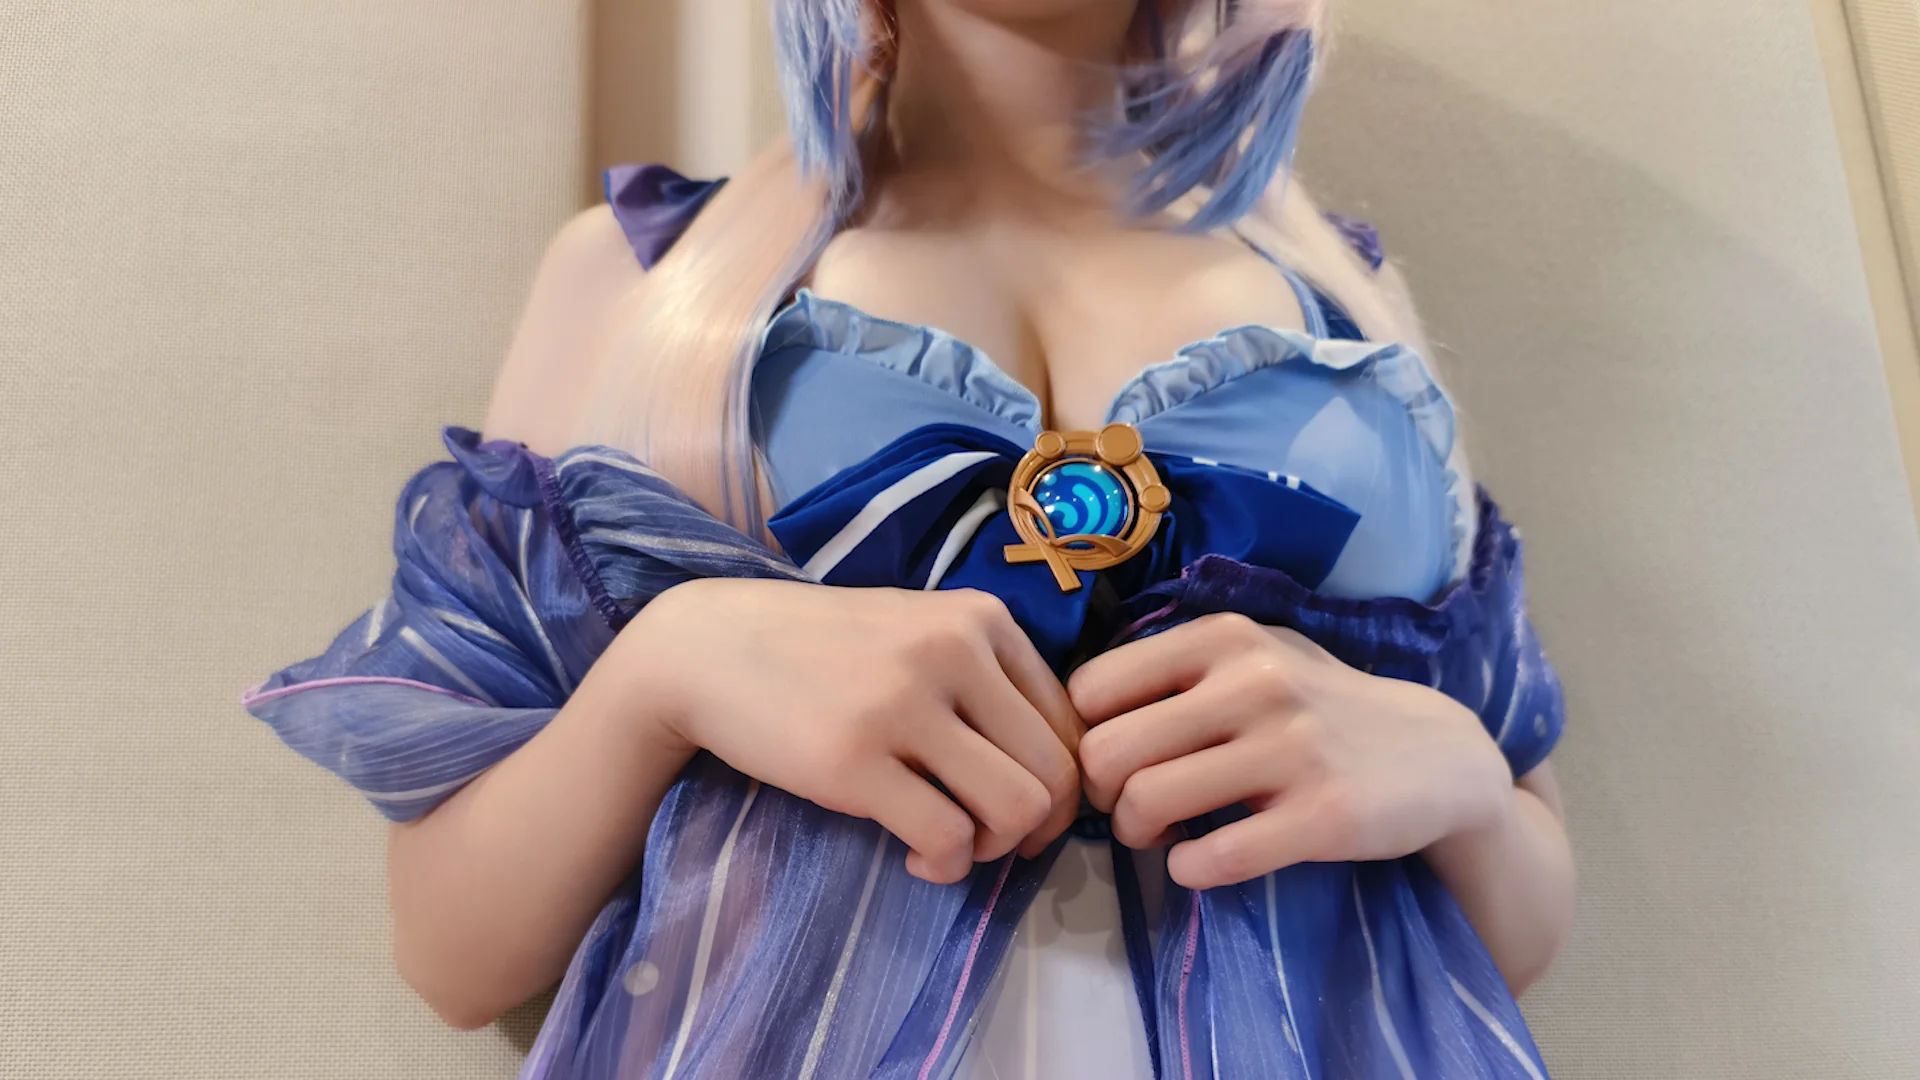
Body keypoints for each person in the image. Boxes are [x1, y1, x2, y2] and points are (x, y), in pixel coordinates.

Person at [246, 1, 1575, 1076]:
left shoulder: (1354, 310)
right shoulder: (641, 283)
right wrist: (667, 671)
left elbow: (1512, 936)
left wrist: (1458, 772)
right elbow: (455, 952)